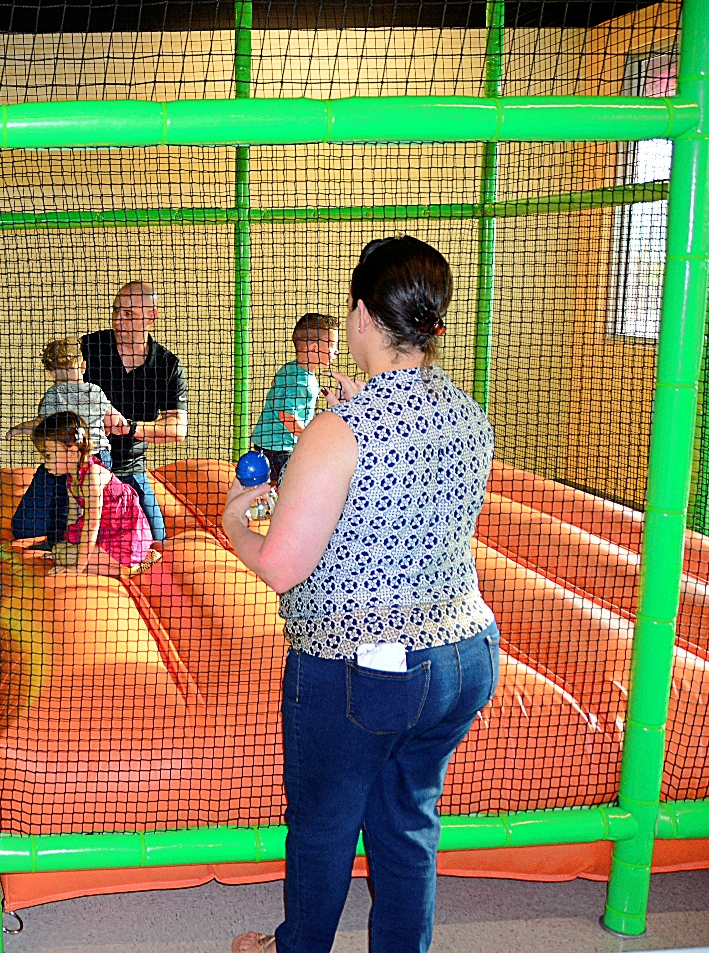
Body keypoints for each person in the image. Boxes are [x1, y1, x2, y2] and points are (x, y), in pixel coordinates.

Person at [222, 237, 499, 953]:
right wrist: (350, 417)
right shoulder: (470, 414)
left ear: (358, 315)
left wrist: (233, 521)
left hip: (364, 671)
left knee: (322, 823)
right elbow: (402, 503)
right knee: (406, 819)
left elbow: (282, 566)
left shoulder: (337, 431)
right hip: (465, 656)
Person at [82, 281, 188, 541]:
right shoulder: (89, 349)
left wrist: (130, 427)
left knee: (157, 540)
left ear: (152, 317)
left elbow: (178, 429)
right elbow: (63, 400)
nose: (118, 321)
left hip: (130, 469)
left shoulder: (167, 365)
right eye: (116, 311)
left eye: (128, 315)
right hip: (83, 467)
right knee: (30, 530)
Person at [12, 412, 153, 577]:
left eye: (48, 455)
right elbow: (74, 515)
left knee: (65, 556)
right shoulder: (72, 477)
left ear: (71, 451)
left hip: (125, 539)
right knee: (59, 551)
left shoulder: (93, 476)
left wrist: (77, 567)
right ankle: (111, 564)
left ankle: (130, 566)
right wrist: (69, 544)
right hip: (108, 533)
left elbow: (91, 525)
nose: (45, 461)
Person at [5, 337, 128, 469]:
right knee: (95, 486)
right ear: (83, 366)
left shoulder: (54, 394)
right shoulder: (95, 390)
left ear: (52, 373)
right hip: (99, 454)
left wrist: (17, 428)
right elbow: (114, 419)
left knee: (71, 485)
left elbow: (41, 424)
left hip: (72, 457)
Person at [250, 313, 339, 485]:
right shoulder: (300, 379)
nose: (336, 351)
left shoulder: (292, 370)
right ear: (313, 348)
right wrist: (308, 439)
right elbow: (286, 415)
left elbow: (276, 386)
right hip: (278, 448)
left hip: (273, 445)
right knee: (291, 486)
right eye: (333, 345)